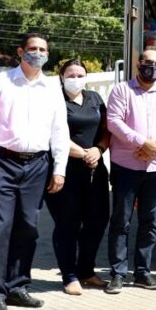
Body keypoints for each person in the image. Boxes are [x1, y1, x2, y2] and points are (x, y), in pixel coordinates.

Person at [0, 32, 69, 310]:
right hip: (3, 162)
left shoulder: (52, 87)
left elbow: (59, 130)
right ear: (20, 51)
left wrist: (59, 169)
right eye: (33, 48)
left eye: (43, 49)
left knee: (28, 226)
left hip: (37, 165)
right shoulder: (0, 82)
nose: (38, 53)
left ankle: (17, 286)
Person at [105, 48, 156, 293]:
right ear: (138, 64)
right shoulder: (122, 90)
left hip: (155, 166)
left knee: (149, 222)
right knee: (121, 221)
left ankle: (142, 272)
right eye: (148, 62)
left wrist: (155, 146)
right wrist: (141, 142)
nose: (152, 67)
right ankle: (118, 273)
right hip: (126, 166)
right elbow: (114, 122)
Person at [45, 59, 111, 296]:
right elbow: (53, 135)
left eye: (80, 75)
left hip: (94, 171)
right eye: (70, 75)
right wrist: (84, 153)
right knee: (67, 224)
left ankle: (86, 270)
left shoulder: (95, 98)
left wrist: (99, 150)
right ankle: (69, 275)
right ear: (61, 77)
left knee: (97, 221)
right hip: (64, 172)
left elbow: (106, 130)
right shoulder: (53, 100)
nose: (75, 79)